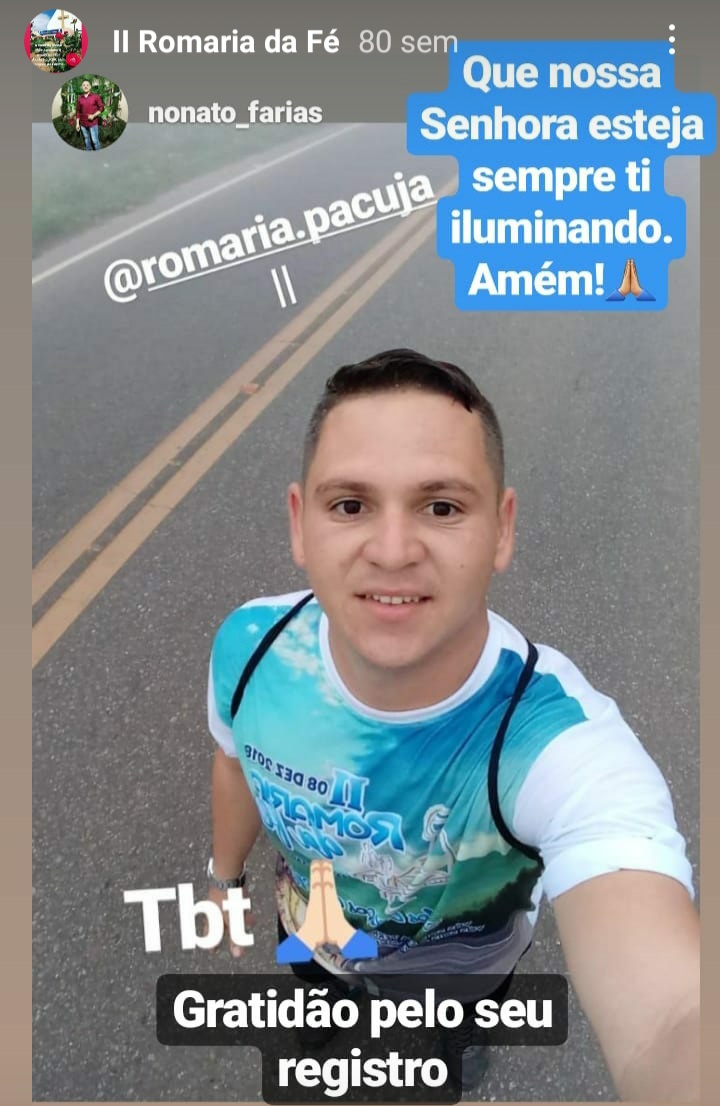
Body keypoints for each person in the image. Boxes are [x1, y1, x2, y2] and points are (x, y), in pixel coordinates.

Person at [206, 348, 699, 1099]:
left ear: (501, 530)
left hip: (459, 974)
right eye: (350, 505)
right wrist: (223, 876)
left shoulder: (548, 738)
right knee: (317, 1020)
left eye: (441, 507)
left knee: (443, 1051)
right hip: (312, 928)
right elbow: (235, 761)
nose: (393, 552)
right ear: (301, 525)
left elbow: (671, 1019)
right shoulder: (251, 647)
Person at [75, 79, 103, 151]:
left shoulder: (96, 97)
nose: (85, 86)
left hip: (93, 123)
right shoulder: (79, 98)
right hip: (83, 124)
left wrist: (94, 115)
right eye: (84, 85)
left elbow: (101, 108)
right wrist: (77, 124)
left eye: (87, 85)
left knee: (95, 141)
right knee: (87, 139)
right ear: (82, 87)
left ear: (90, 87)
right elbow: (78, 111)